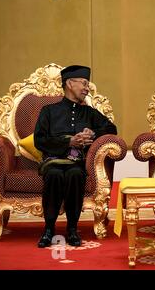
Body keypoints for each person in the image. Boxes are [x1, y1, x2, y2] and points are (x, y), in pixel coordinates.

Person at [34, 65, 117, 248]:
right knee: (54, 175)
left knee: (75, 175)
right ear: (70, 83)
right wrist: (69, 142)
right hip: (53, 160)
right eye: (84, 83)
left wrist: (92, 133)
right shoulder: (48, 111)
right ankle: (49, 229)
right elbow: (39, 140)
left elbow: (112, 129)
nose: (87, 88)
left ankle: (72, 229)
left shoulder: (89, 112)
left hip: (77, 162)